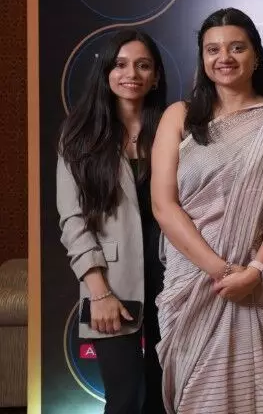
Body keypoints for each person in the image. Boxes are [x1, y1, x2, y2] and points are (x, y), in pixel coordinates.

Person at [151, 7, 263, 414]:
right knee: (198, 396)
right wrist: (221, 271)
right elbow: (164, 206)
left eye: (237, 47)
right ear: (202, 58)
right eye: (212, 49)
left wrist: (254, 271)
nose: (224, 58)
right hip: (195, 279)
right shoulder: (179, 117)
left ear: (256, 56)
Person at [57, 29, 168, 414]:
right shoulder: (79, 135)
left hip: (174, 280)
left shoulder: (173, 130)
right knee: (125, 398)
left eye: (143, 65)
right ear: (106, 72)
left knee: (166, 398)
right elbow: (73, 220)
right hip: (111, 282)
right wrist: (98, 293)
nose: (131, 74)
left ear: (156, 76)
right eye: (120, 65)